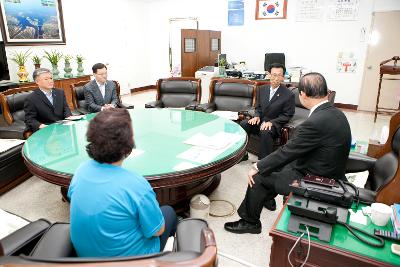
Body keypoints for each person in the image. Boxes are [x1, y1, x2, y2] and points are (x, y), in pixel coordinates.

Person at [224, 72, 351, 234]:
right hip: (325, 169)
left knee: (258, 176)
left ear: (303, 95)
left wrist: (258, 166)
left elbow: (287, 151)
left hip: (316, 181)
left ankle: (250, 222)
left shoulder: (315, 122)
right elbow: (292, 152)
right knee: (274, 166)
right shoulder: (337, 113)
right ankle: (267, 197)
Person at [68, 108, 177, 257]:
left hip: (84, 256)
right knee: (169, 212)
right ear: (128, 143)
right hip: (130, 260)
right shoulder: (136, 184)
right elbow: (158, 231)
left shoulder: (81, 170)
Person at [240, 63, 295, 160]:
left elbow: (288, 115)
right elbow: (258, 107)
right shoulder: (262, 89)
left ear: (283, 77)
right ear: (269, 75)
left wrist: (272, 122)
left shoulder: (288, 94)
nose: (276, 78)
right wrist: (256, 116)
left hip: (274, 125)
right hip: (260, 121)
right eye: (274, 75)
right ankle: (242, 154)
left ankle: (263, 163)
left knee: (265, 130)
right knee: (244, 123)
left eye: (279, 75)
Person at [24, 68, 72, 133]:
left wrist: (69, 118)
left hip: (62, 127)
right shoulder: (31, 98)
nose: (50, 81)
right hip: (46, 129)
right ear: (37, 82)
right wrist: (41, 126)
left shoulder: (60, 92)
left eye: (51, 78)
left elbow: (66, 108)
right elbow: (30, 119)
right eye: (46, 79)